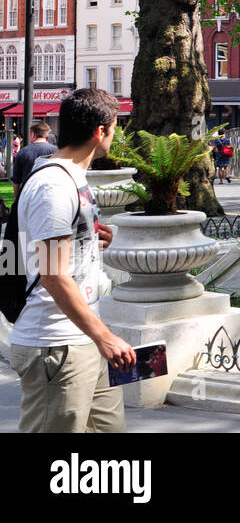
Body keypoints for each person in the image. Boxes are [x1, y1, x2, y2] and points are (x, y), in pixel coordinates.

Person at [8, 88, 133, 433]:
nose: (115, 134)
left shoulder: (73, 178)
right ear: (100, 131)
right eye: (115, 127)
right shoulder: (53, 186)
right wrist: (105, 337)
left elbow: (54, 252)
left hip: (83, 338)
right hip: (55, 345)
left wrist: (91, 240)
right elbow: (52, 274)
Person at [11, 122, 57, 208]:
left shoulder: (23, 152)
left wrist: (16, 199)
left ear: (32, 134)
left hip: (28, 196)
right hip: (51, 196)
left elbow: (16, 181)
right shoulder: (56, 151)